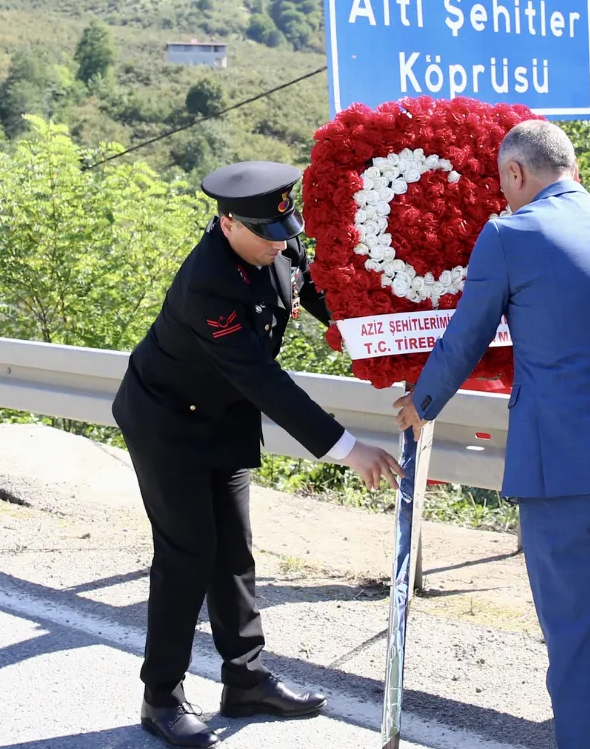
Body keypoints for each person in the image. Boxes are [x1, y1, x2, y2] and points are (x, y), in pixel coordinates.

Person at [395, 120, 590, 749]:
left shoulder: (509, 234)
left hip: (566, 461)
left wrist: (422, 404)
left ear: (517, 174)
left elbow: (467, 336)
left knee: (578, 639)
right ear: (574, 167)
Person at [113, 160, 402, 748]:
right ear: (226, 224)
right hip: (169, 424)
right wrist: (348, 449)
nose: (280, 242)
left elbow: (328, 304)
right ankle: (161, 697)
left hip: (222, 418)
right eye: (266, 233)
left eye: (284, 230)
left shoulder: (279, 247)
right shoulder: (207, 285)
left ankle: (243, 679)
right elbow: (264, 380)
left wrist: (395, 347)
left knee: (234, 553)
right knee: (188, 555)